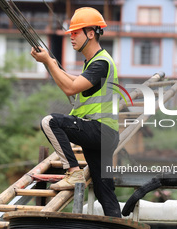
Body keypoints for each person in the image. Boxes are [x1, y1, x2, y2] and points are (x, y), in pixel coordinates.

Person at [30, 7, 121, 218]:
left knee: (51, 122)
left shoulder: (101, 63)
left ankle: (72, 172)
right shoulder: (96, 61)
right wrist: (52, 63)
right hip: (104, 135)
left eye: (75, 32)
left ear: (91, 33)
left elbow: (70, 89)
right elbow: (75, 81)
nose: (71, 37)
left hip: (99, 131)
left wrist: (48, 64)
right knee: (104, 190)